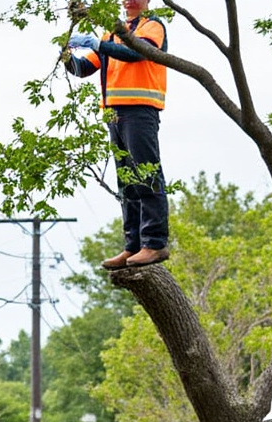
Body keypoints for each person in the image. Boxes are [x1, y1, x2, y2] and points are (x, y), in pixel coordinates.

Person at [64, 0, 170, 270]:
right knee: (127, 180)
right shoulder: (111, 34)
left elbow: (136, 52)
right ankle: (133, 246)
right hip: (114, 113)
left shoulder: (152, 25)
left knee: (147, 173)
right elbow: (83, 68)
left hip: (140, 109)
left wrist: (98, 44)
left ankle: (154, 243)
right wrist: (65, 54)